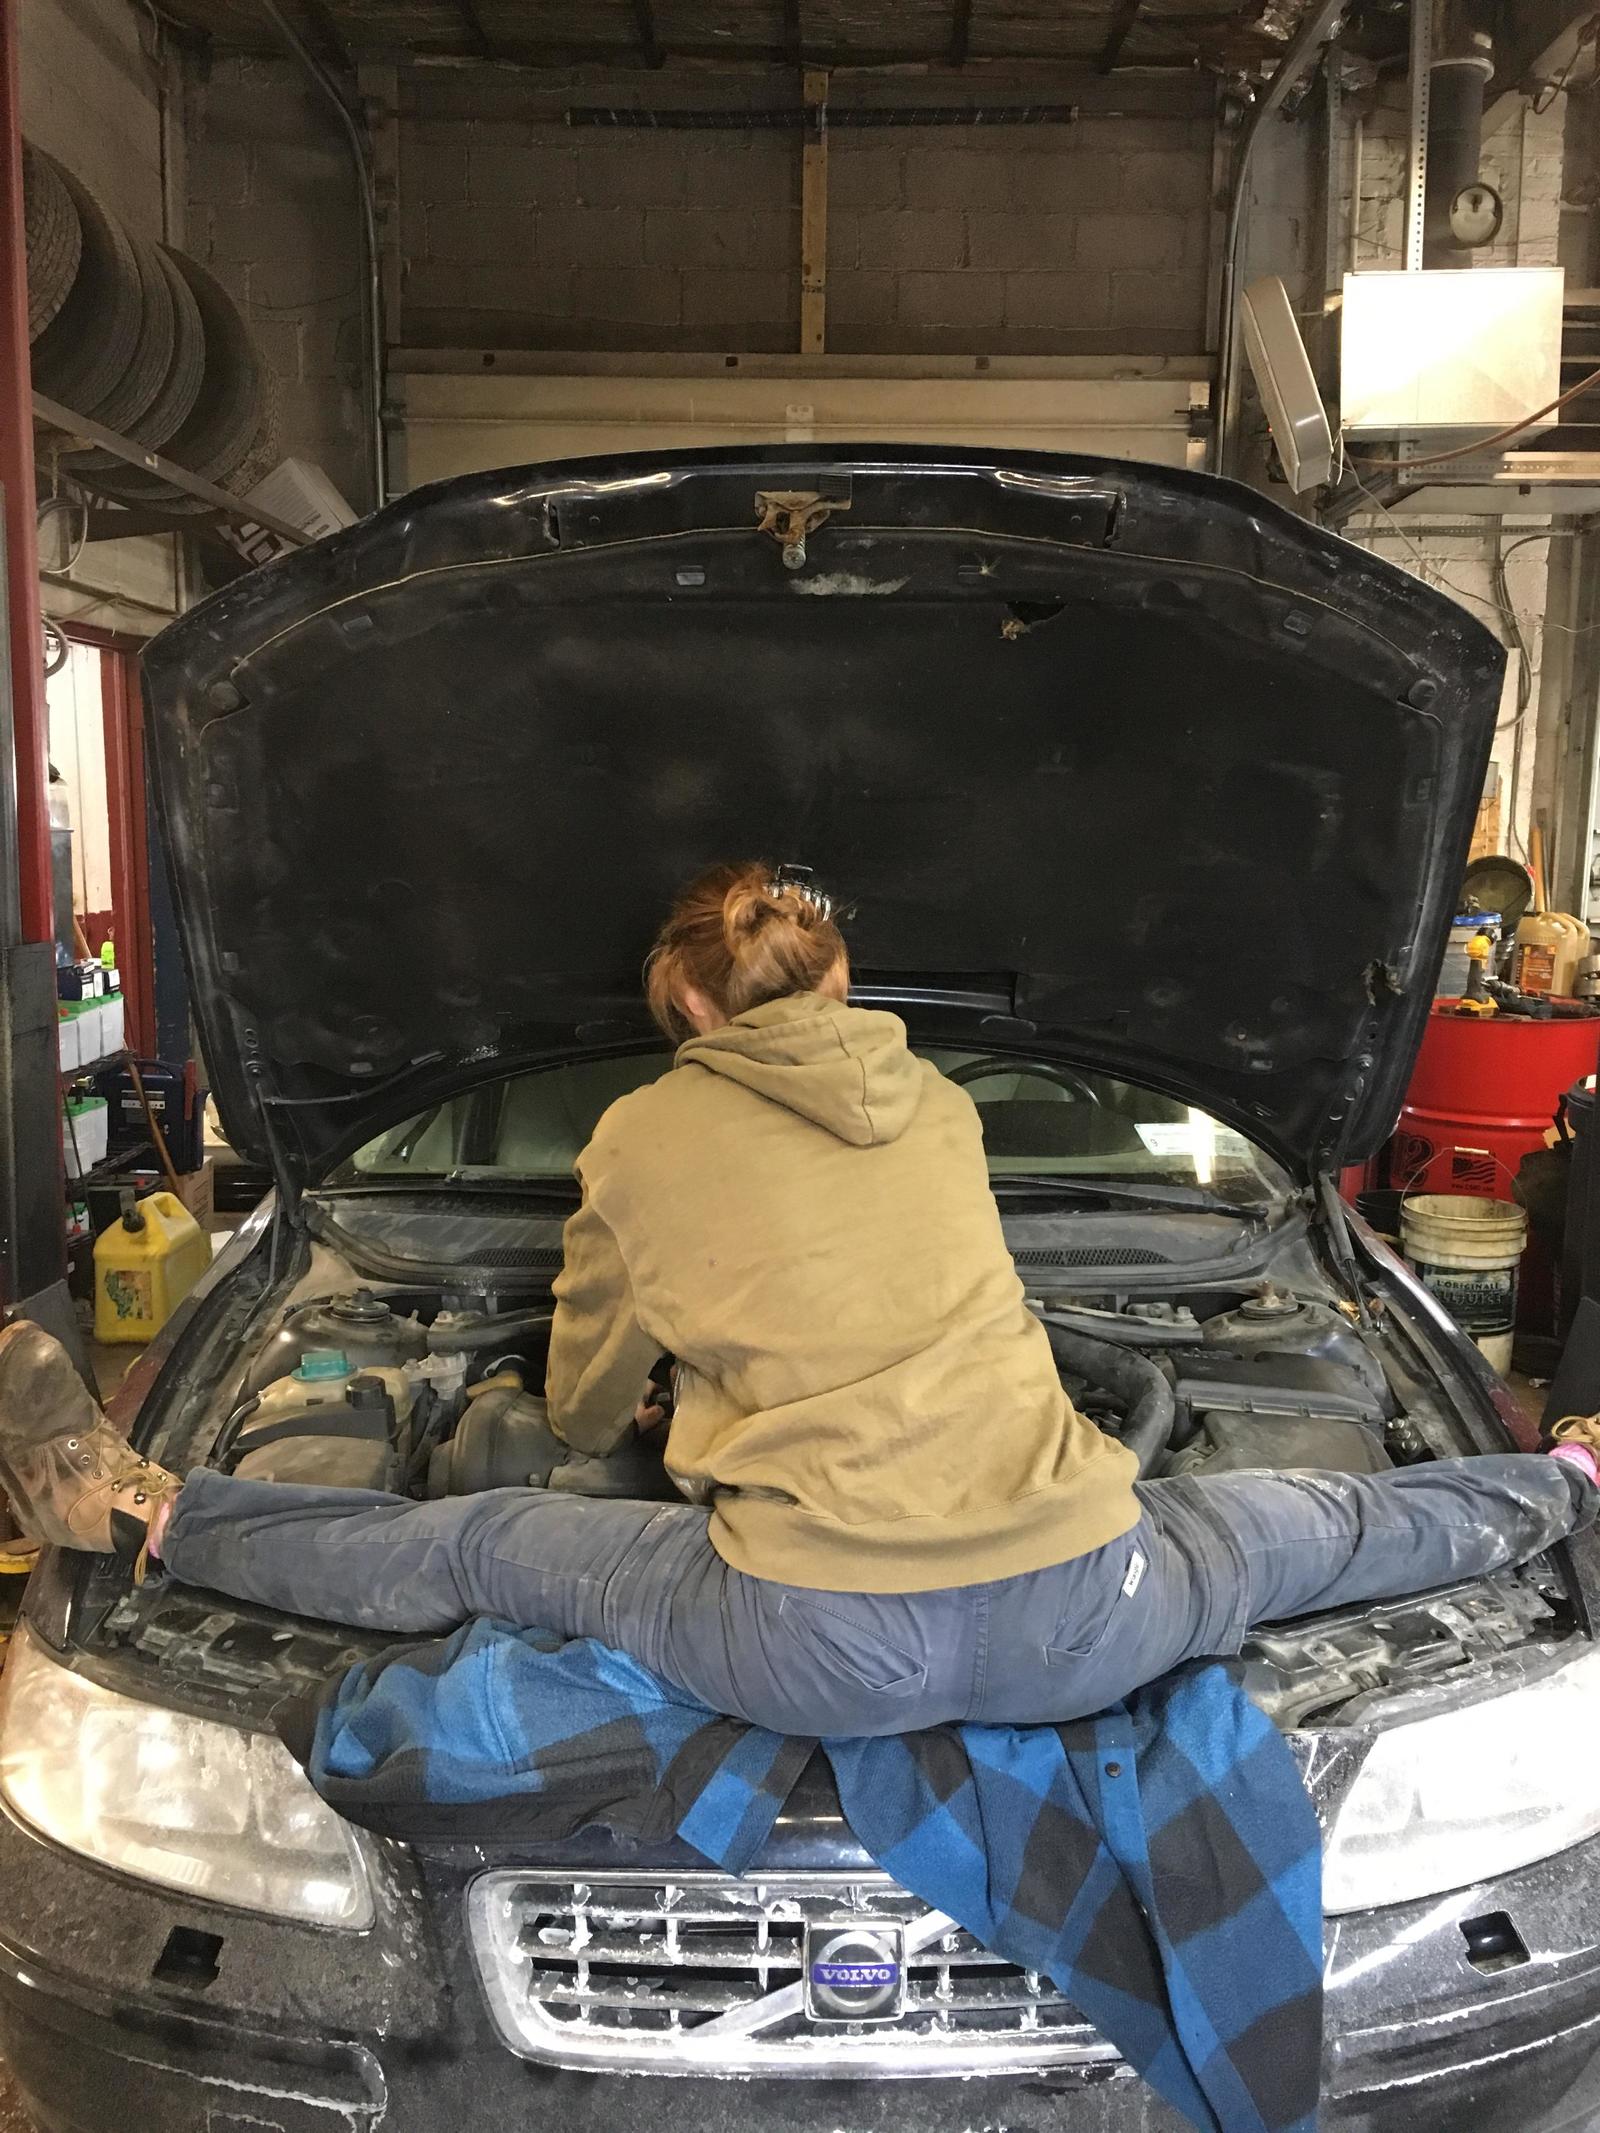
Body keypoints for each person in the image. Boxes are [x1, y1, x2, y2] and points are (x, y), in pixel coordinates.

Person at [0, 861, 1595, 1740]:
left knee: (475, 1545)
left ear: (686, 1003)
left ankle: (130, 1505)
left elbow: (566, 1406)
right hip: (1082, 1615)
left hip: (815, 1646)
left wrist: (648, 1396)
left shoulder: (639, 1132)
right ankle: (1565, 1480)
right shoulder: (954, 1109)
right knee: (1311, 1532)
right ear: (847, 984)